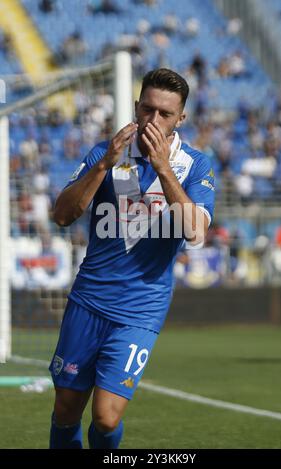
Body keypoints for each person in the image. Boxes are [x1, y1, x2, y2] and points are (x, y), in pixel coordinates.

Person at [49, 68, 215, 449]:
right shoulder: (107, 153)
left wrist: (161, 167)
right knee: (65, 409)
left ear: (180, 119)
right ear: (136, 107)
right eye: (147, 109)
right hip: (89, 300)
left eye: (165, 114)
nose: (153, 120)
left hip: (140, 310)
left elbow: (195, 232)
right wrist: (105, 163)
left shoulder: (195, 166)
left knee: (106, 418)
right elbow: (61, 215)